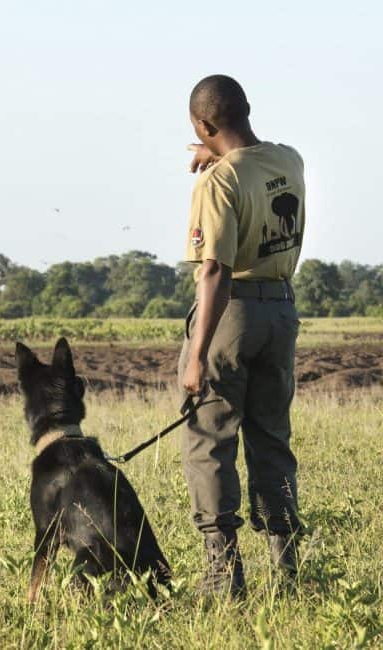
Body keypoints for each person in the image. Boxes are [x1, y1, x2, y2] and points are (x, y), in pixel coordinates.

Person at [179, 74, 306, 598]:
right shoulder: (289, 160)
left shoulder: (216, 184)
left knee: (209, 442)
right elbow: (251, 169)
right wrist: (218, 154)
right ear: (248, 109)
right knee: (271, 438)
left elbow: (214, 272)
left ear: (205, 125)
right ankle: (289, 571)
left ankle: (222, 575)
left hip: (230, 318)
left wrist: (196, 356)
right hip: (280, 313)